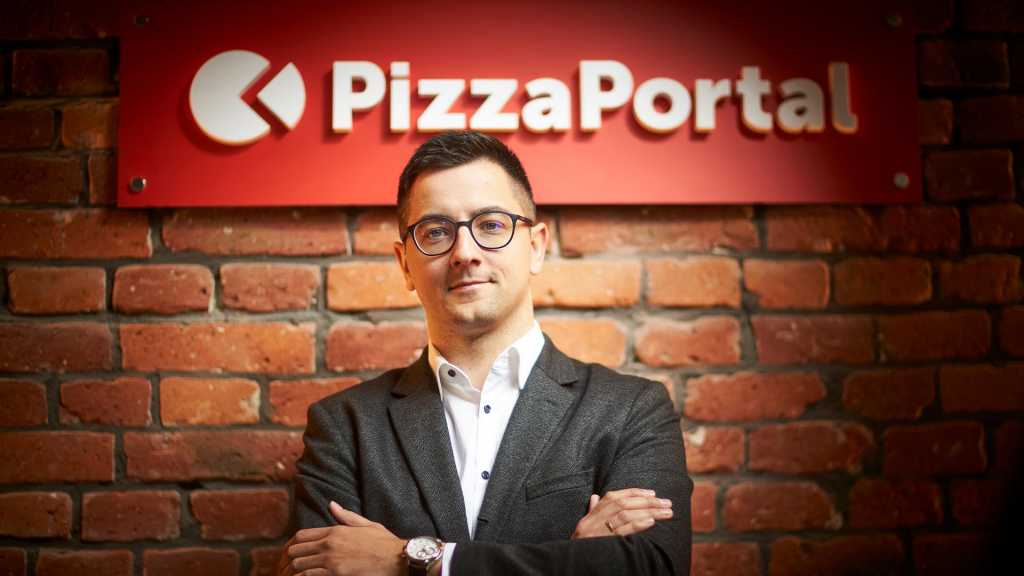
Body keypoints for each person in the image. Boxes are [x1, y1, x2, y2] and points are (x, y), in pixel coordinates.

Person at [280, 130, 693, 576]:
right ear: (405, 265)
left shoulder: (632, 409)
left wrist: (414, 560)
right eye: (436, 232)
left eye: (491, 225)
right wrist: (574, 559)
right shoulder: (344, 425)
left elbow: (652, 566)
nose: (464, 253)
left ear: (535, 247)